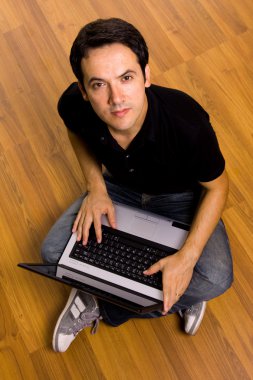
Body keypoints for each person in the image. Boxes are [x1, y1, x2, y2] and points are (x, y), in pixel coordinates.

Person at [41, 18, 233, 353]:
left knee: (214, 277)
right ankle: (171, 293)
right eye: (99, 85)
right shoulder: (73, 104)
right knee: (53, 252)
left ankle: (104, 303)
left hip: (180, 198)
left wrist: (187, 258)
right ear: (84, 91)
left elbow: (217, 187)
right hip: (118, 190)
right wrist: (96, 186)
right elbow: (74, 130)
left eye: (126, 78)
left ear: (146, 75)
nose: (116, 99)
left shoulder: (187, 123)